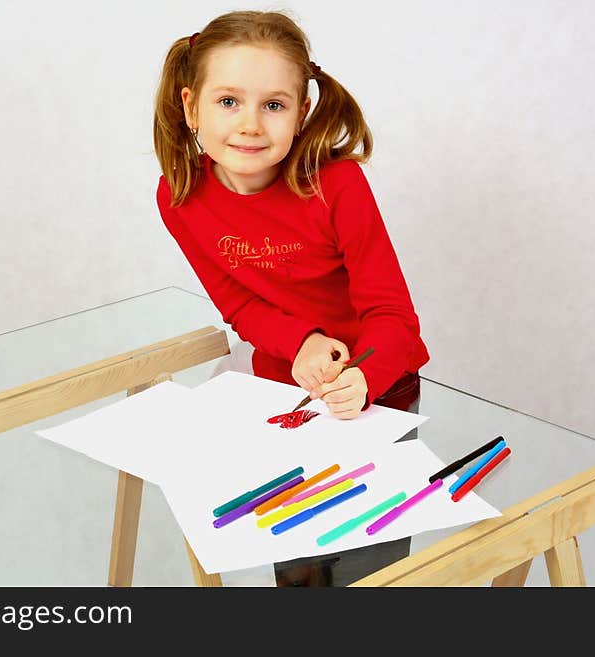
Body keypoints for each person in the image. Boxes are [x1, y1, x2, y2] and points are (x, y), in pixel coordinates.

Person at [152, 10, 429, 586]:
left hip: (378, 389)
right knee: (298, 559)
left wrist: (365, 378)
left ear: (301, 113)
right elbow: (240, 307)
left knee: (366, 564)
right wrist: (300, 344)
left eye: (273, 105)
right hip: (283, 391)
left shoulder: (339, 186)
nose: (250, 125)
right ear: (189, 106)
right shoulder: (178, 195)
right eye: (229, 101)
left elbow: (395, 318)